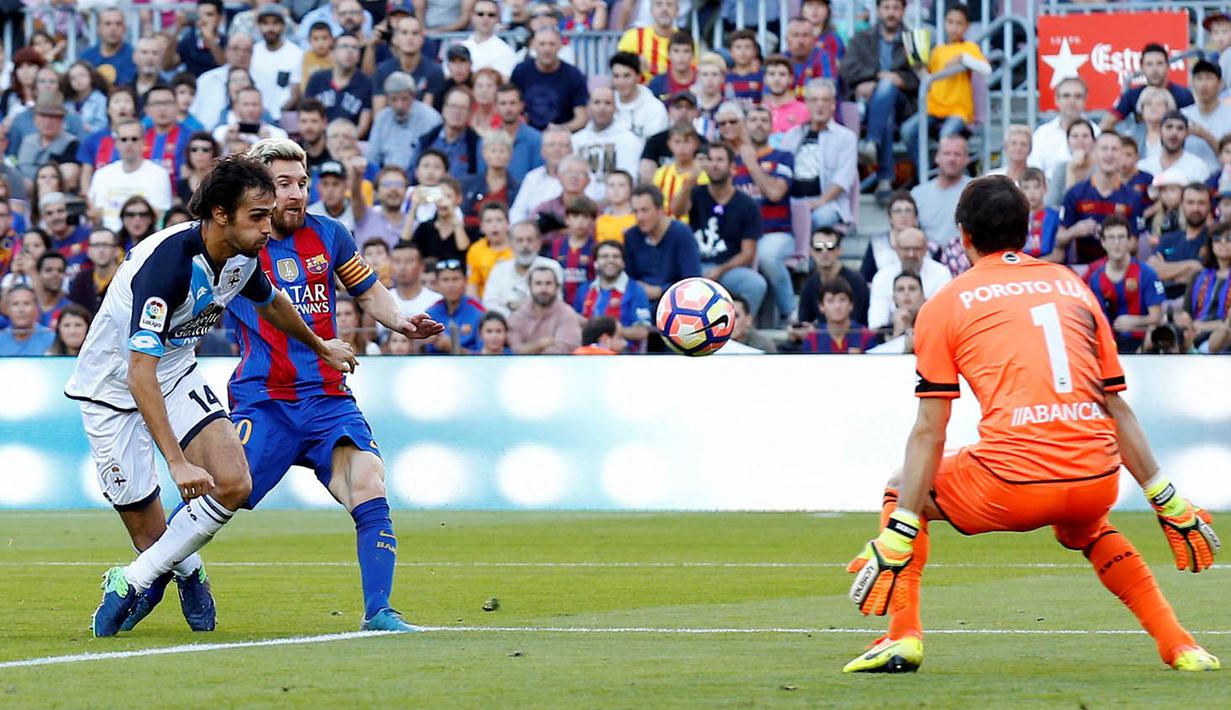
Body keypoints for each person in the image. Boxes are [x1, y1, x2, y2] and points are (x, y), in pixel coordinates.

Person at [843, 175, 1220, 674]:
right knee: (1088, 526)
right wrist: (1166, 498)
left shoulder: (945, 304)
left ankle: (902, 636)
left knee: (900, 491)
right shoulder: (1073, 286)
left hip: (1012, 482)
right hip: (1094, 476)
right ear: (1026, 231)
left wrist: (901, 530)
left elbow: (929, 431)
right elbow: (1116, 407)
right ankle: (1181, 645)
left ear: (963, 237)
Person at [67, 154, 360, 637]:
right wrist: (177, 462)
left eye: (269, 215)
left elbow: (273, 303)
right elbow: (140, 373)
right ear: (220, 214)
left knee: (234, 481)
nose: (269, 227)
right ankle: (189, 568)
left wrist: (320, 346)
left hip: (176, 371)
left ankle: (129, 581)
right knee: (151, 536)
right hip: (113, 387)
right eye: (258, 216)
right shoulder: (168, 267)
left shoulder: (243, 256)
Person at [220, 139, 442, 629]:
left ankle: (379, 610)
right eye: (284, 185)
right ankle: (158, 572)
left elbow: (368, 290)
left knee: (367, 480)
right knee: (221, 495)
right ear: (258, 191)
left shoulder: (330, 234)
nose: (298, 194)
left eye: (302, 183)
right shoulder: (235, 244)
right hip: (264, 399)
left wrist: (401, 321)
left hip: (327, 396)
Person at [675, 143, 768, 316]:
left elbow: (748, 253)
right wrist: (691, 179)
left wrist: (720, 270)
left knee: (756, 284)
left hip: (728, 269)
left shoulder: (747, 204)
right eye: (709, 160)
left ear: (732, 167)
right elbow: (677, 210)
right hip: (695, 266)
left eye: (720, 160)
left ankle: (737, 331)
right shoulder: (695, 193)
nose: (714, 165)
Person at [841, 0, 918, 203]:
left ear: (903, 10)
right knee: (886, 110)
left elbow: (920, 77)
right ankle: (885, 181)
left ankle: (872, 142)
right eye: (886, 8)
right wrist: (876, 77)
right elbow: (848, 70)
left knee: (888, 89)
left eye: (896, 8)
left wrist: (901, 80)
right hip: (868, 102)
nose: (891, 13)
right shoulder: (862, 38)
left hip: (903, 103)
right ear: (878, 10)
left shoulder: (911, 39)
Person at [730, 105, 794, 323]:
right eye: (753, 120)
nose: (758, 124)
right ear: (745, 127)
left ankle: (790, 314)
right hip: (739, 236)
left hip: (775, 232)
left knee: (767, 256)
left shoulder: (783, 157)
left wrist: (752, 163)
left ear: (772, 127)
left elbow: (775, 193)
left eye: (763, 120)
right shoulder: (730, 163)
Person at [1056, 132, 1143, 272]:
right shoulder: (1075, 193)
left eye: (1114, 149)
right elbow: (1060, 238)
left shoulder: (1132, 197)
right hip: (1082, 269)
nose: (1109, 154)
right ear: (1094, 153)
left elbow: (1134, 243)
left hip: (1119, 271)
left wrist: (1112, 238)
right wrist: (1075, 230)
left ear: (1121, 155)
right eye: (1104, 149)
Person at [782, 78, 856, 230]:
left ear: (833, 105)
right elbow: (782, 171)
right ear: (807, 104)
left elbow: (843, 178)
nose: (820, 105)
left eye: (825, 100)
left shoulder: (846, 137)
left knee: (818, 218)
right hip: (793, 200)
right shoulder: (792, 135)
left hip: (828, 204)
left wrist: (820, 202)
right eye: (814, 100)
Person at [1085, 214, 1165, 352]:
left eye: (1121, 237)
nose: (1116, 243)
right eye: (1111, 237)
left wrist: (1134, 321)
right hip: (1109, 346)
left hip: (1143, 345)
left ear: (1129, 241)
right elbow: (1095, 319)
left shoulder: (1147, 274)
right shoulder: (1096, 279)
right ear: (1103, 242)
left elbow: (1157, 317)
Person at [88, 120, 172, 232]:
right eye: (123, 139)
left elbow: (160, 215)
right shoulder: (101, 174)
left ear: (143, 142)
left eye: (134, 139)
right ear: (116, 143)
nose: (129, 144)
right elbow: (96, 213)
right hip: (108, 238)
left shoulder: (159, 174)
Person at [624, 184, 701, 303]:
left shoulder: (681, 233)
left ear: (660, 210)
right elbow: (629, 277)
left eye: (645, 210)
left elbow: (692, 280)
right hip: (640, 301)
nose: (639, 217)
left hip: (677, 302)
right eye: (635, 211)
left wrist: (660, 291)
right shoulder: (631, 235)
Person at [867, 227, 951, 330]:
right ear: (897, 250)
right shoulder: (882, 277)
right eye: (906, 249)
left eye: (916, 249)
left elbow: (942, 318)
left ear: (925, 249)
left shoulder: (941, 274)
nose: (911, 254)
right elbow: (876, 324)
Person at [573, 240, 651, 351]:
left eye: (616, 256)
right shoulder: (584, 289)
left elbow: (642, 332)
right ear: (595, 262)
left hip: (624, 355)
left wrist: (608, 330)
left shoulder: (636, 290)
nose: (610, 260)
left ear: (623, 263)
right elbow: (575, 324)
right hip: (587, 354)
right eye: (605, 256)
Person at [572, 86, 645, 200]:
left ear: (615, 108)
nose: (602, 108)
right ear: (588, 107)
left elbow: (629, 180)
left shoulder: (629, 140)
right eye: (596, 102)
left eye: (607, 103)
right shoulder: (576, 140)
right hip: (580, 206)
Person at [1102, 43, 1195, 132]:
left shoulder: (1183, 95)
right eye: (1149, 64)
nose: (1154, 69)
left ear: (1167, 66)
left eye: (1159, 63)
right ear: (1142, 67)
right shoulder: (1133, 95)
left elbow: (1192, 127)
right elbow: (1106, 124)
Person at [510, 28, 589, 132]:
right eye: (542, 44)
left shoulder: (573, 75)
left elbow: (581, 118)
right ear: (533, 45)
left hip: (561, 138)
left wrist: (561, 129)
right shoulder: (520, 71)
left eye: (552, 44)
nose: (547, 49)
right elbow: (509, 105)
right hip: (526, 134)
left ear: (560, 45)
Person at [483, 220, 563, 316]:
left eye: (529, 240)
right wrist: (516, 318)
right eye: (519, 240)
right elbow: (490, 304)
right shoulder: (499, 270)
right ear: (510, 244)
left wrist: (514, 306)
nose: (525, 245)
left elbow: (556, 303)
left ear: (539, 243)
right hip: (507, 326)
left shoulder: (552, 267)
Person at [797, 225, 869, 327]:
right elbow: (804, 320)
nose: (824, 253)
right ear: (811, 252)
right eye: (818, 248)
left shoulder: (856, 281)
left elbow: (853, 324)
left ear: (839, 251)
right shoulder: (810, 284)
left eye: (830, 247)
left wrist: (816, 332)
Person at [305, 33, 374, 138]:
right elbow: (306, 116)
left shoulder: (366, 83)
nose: (349, 51)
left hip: (350, 143)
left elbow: (363, 126)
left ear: (359, 56)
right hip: (319, 141)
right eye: (344, 46)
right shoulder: (317, 79)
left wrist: (343, 143)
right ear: (333, 53)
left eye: (354, 48)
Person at [1029, 77, 1099, 178]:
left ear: (1085, 100)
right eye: (1066, 96)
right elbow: (1034, 171)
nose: (1072, 101)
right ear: (1056, 100)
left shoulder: (1097, 134)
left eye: (1078, 96)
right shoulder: (1042, 134)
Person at [373, 15, 444, 114]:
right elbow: (379, 116)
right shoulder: (382, 71)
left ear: (422, 39)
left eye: (415, 33)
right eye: (404, 33)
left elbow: (429, 115)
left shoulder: (434, 71)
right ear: (395, 39)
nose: (410, 38)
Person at [1151, 183, 1212, 298]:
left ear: (1209, 206)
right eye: (1190, 202)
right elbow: (1152, 270)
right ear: (1182, 204)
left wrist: (1167, 270)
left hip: (1196, 303)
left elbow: (1201, 274)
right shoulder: (1168, 238)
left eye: (1201, 203)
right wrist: (1190, 264)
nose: (1195, 208)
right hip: (1164, 300)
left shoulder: (1215, 238)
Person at [910, 134, 971, 246]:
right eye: (947, 153)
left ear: (967, 159)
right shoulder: (918, 194)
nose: (952, 159)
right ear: (937, 157)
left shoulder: (976, 192)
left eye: (957, 154)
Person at [414, 86, 484, 181]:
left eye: (463, 108)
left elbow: (480, 180)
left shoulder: (476, 145)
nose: (457, 112)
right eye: (453, 106)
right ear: (444, 109)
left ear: (470, 113)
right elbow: (412, 176)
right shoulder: (426, 141)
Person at [508, 265, 582, 353]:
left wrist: (528, 349)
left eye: (548, 283)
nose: (543, 289)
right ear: (529, 286)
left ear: (557, 287)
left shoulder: (567, 314)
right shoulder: (518, 316)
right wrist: (540, 344)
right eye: (538, 283)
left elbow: (563, 351)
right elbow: (515, 349)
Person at [250, 5, 304, 122]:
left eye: (275, 23)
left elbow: (295, 94)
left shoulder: (296, 53)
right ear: (259, 27)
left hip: (284, 117)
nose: (270, 28)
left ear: (283, 26)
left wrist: (275, 116)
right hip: (254, 115)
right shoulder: (253, 51)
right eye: (265, 23)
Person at [794, 278, 877, 353]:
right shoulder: (812, 339)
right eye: (830, 301)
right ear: (821, 306)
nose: (837, 306)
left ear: (851, 305)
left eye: (842, 299)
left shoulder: (866, 336)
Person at [1183, 222, 1231, 348]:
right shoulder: (1198, 276)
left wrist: (1203, 326)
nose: (1223, 242)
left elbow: (1228, 323)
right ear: (1211, 245)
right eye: (1217, 239)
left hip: (1222, 337)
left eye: (1229, 238)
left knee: (1224, 332)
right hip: (1195, 332)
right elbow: (1186, 312)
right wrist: (1190, 326)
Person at [425, 258, 486, 353]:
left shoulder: (479, 312)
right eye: (445, 280)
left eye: (455, 279)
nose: (451, 285)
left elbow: (487, 355)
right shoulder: (431, 313)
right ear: (437, 284)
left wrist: (453, 347)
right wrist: (422, 343)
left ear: (465, 281)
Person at [1137, 112, 1211, 186]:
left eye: (1180, 128)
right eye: (1169, 127)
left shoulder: (1198, 167)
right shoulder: (1143, 166)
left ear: (1187, 133)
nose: (1174, 132)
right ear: (1160, 131)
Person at [16, 96, 79, 183]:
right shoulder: (28, 141)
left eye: (53, 117)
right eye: (43, 116)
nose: (48, 122)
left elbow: (67, 177)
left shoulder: (71, 143)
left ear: (61, 120)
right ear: (35, 119)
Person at [860, 191, 918, 284]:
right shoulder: (877, 244)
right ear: (889, 217)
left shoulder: (930, 246)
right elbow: (866, 279)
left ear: (916, 217)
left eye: (908, 210)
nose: (903, 215)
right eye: (898, 211)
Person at [654, 121, 707, 221]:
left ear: (696, 143)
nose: (682, 147)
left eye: (687, 141)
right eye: (677, 142)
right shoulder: (661, 173)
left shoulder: (704, 174)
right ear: (669, 144)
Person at [1180, 60, 1231, 158]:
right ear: (1192, 83)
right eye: (1199, 78)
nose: (1204, 84)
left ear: (1220, 84)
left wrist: (1205, 135)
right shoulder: (1183, 115)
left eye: (1209, 78)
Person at [493, 83, 544, 181]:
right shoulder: (487, 141)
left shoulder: (537, 140)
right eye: (503, 103)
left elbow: (539, 178)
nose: (508, 108)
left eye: (512, 103)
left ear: (521, 105)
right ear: (496, 107)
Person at [617, 0, 676, 81]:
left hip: (674, 92)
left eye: (669, 5)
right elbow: (620, 67)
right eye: (659, 4)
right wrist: (635, 63)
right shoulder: (634, 36)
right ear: (651, 10)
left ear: (677, 11)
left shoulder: (685, 40)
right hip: (639, 91)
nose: (664, 9)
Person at [68, 228, 122, 314]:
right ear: (88, 251)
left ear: (117, 251)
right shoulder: (81, 279)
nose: (101, 250)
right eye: (96, 245)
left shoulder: (124, 278)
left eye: (105, 245)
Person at [466, 202, 513, 299]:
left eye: (499, 220)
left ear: (508, 224)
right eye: (489, 221)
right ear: (482, 227)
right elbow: (472, 286)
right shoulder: (475, 250)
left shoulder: (518, 246)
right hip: (486, 306)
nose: (494, 225)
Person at [79, 8, 136, 88]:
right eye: (108, 24)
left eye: (118, 24)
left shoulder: (134, 56)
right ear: (98, 28)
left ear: (125, 28)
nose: (113, 28)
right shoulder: (86, 57)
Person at [461, 0, 518, 77]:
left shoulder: (506, 51)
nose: (485, 18)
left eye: (491, 15)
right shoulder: (461, 47)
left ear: (498, 19)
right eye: (480, 14)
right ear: (472, 16)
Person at [762, 54, 810, 139]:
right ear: (765, 79)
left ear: (791, 79)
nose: (777, 79)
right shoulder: (759, 111)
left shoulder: (805, 111)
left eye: (782, 74)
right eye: (772, 74)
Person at [176, 0, 226, 78]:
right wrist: (177, 30)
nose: (203, 19)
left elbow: (225, 65)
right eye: (199, 15)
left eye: (209, 14)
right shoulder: (188, 41)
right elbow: (167, 66)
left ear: (220, 18)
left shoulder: (228, 41)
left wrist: (210, 39)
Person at [0, 285, 55, 355]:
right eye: (15, 304)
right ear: (7, 310)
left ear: (36, 308)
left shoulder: (51, 339)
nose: (21, 309)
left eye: (26, 303)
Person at [1019, 168, 1059, 260]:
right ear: (1020, 191)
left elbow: (1059, 253)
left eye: (1036, 187)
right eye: (1026, 187)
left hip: (1048, 265)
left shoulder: (1055, 217)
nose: (1031, 192)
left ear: (1045, 189)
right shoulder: (1016, 218)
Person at [648, 31, 698, 102]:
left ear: (693, 55)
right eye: (676, 51)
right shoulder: (657, 84)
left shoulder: (701, 81)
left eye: (686, 51)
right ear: (668, 54)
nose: (681, 57)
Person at [307, 160, 356, 230]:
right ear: (318, 187)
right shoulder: (311, 215)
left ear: (346, 186)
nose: (330, 190)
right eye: (325, 184)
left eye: (335, 184)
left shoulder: (356, 213)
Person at [31, 251, 71, 327]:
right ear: (38, 273)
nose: (55, 274)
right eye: (48, 270)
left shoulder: (69, 310)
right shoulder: (25, 305)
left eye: (60, 271)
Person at [596, 171, 636, 244]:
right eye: (611, 185)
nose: (616, 190)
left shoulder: (639, 219)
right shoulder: (599, 220)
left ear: (631, 189)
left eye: (621, 185)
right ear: (606, 190)